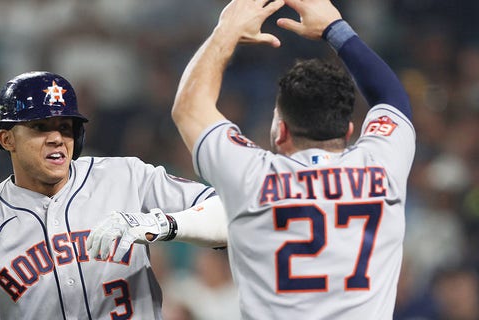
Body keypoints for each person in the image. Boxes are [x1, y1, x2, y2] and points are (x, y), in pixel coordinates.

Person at [90, 0, 415, 318]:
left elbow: (189, 106)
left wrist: (226, 31)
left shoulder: (251, 176)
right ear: (349, 129)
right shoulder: (383, 165)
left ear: (281, 130)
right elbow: (393, 98)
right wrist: (336, 29)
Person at [0, 71, 228, 320]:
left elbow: (229, 216)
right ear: (7, 139)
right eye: (40, 127)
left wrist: (162, 224)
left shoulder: (125, 177)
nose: (57, 137)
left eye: (65, 126)